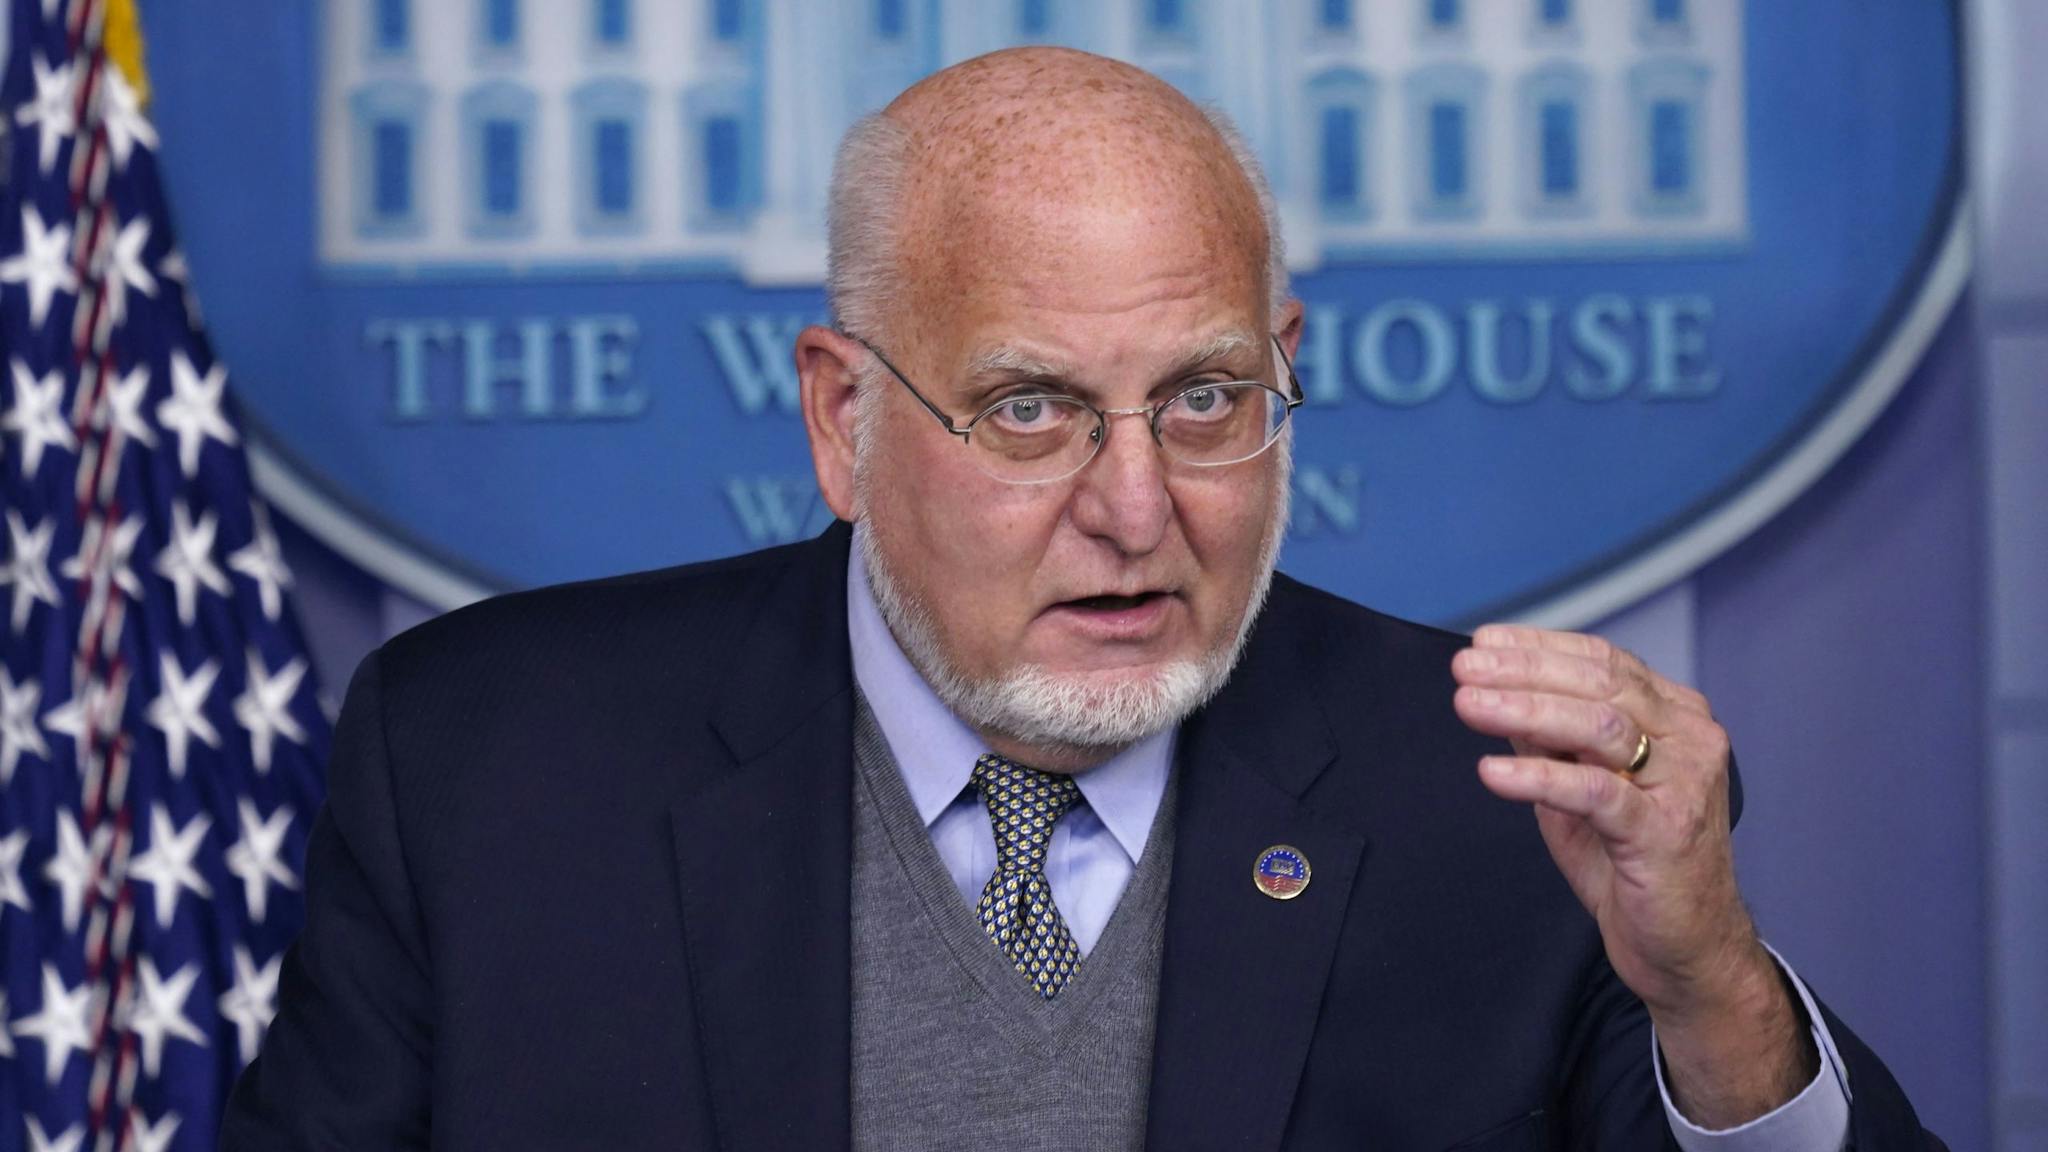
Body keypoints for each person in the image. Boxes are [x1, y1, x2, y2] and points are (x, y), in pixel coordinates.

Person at [224, 47, 1942, 1150]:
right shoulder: (483, 768)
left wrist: (1713, 991)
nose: (1138, 509)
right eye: (1028, 409)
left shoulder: (1503, 802)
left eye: (1203, 399)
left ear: (1283, 372)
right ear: (844, 417)